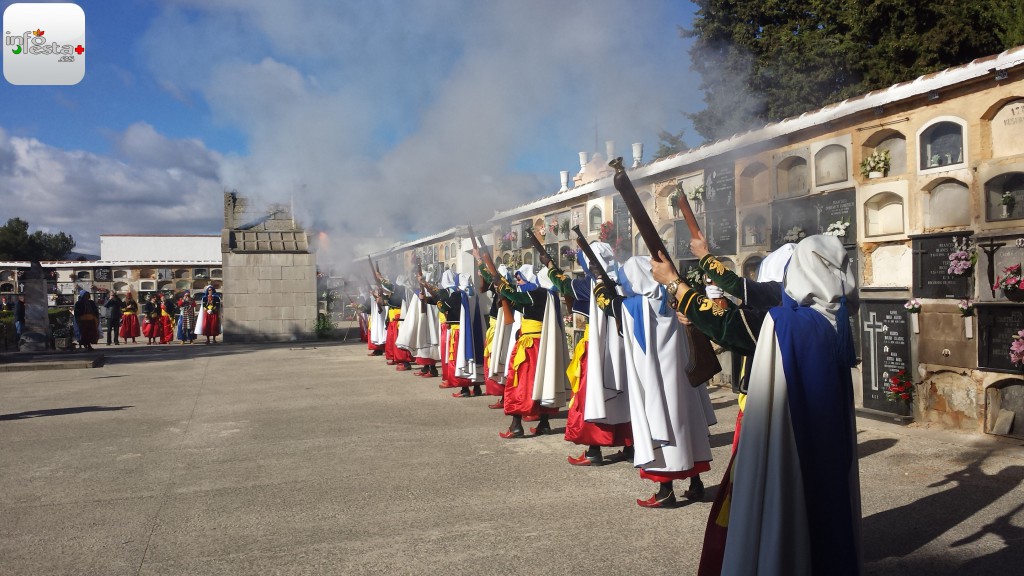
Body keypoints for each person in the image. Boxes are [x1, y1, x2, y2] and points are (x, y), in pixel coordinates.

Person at [719, 234, 861, 575]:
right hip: (826, 441)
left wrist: (679, 289)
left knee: (786, 493)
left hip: (793, 440)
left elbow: (732, 331)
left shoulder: (787, 323)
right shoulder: (836, 320)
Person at [593, 256, 715, 508]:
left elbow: (608, 304)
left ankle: (666, 490)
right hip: (682, 379)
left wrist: (599, 285)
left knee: (662, 424)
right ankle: (696, 483)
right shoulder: (672, 298)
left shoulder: (638, 306)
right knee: (687, 425)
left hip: (658, 381)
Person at [548, 242, 632, 467]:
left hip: (598, 346)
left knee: (593, 394)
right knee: (626, 396)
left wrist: (550, 268)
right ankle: (630, 445)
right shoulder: (625, 278)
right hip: (626, 348)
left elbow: (563, 285)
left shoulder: (593, 282)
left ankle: (594, 449)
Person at [477, 253, 568, 438]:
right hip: (538, 344)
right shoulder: (546, 296)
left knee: (519, 384)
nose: (518, 283)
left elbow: (514, 296)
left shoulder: (539, 294)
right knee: (541, 383)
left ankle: (516, 425)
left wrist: (502, 287)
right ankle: (544, 423)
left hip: (531, 346)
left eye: (520, 280)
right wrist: (487, 271)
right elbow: (514, 297)